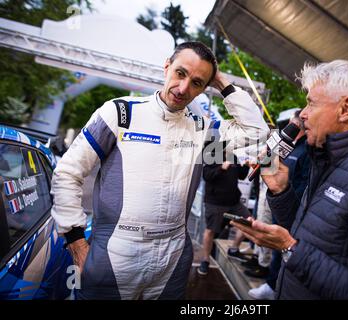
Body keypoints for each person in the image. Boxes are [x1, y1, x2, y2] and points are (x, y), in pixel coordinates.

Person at [50, 41, 269, 300]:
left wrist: (220, 80)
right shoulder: (121, 113)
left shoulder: (202, 129)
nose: (184, 88)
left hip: (173, 256)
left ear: (204, 89)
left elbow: (256, 133)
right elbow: (67, 172)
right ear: (167, 67)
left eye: (197, 82)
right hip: (115, 253)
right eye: (180, 73)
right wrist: (76, 244)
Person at [231, 60, 348, 299]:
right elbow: (308, 236)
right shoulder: (328, 161)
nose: (302, 114)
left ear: (345, 109)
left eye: (311, 102)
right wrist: (281, 191)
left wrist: (289, 249)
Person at [248, 109, 311, 299]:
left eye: (293, 124)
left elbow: (303, 182)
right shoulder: (288, 146)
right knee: (278, 247)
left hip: (294, 207)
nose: (289, 127)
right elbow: (278, 173)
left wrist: (288, 195)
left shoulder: (307, 149)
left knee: (283, 248)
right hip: (280, 203)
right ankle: (272, 282)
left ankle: (273, 284)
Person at [198, 154, 250, 275]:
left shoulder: (235, 157)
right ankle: (205, 260)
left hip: (234, 202)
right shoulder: (212, 155)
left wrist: (246, 166)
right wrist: (221, 168)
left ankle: (234, 248)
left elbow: (241, 176)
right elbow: (206, 176)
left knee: (249, 222)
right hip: (215, 203)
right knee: (210, 231)